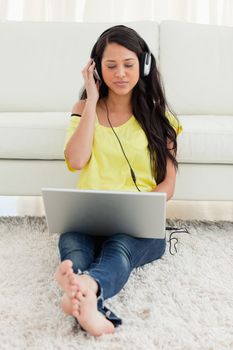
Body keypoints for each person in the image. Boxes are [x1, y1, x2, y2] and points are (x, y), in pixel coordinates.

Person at [54, 25, 182, 337]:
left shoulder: (159, 117)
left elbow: (168, 184)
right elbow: (76, 161)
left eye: (128, 64)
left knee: (119, 249)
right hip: (87, 220)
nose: (121, 74)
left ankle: (84, 289)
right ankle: (89, 305)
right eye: (110, 66)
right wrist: (92, 100)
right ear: (96, 69)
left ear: (144, 65)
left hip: (137, 226)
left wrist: (144, 205)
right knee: (73, 247)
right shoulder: (84, 109)